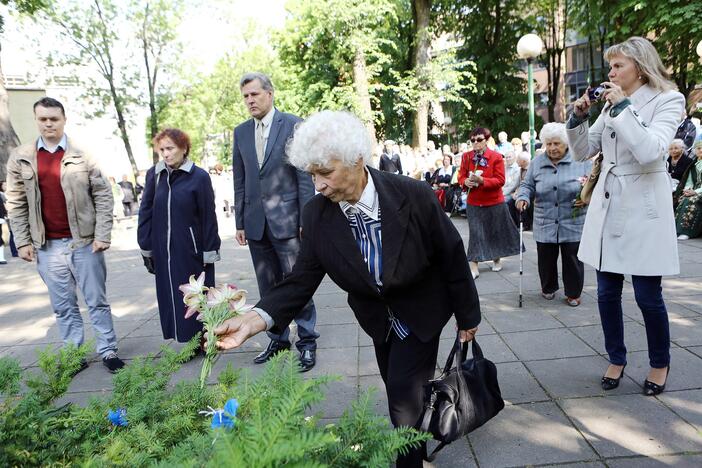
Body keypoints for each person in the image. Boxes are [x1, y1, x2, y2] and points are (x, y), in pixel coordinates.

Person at [213, 110, 481, 468]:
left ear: (357, 160)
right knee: (399, 387)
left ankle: (411, 457)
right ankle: (420, 428)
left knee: (402, 402)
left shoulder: (414, 196)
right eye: (311, 174)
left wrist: (468, 316)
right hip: (377, 319)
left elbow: (451, 256)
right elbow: (301, 278)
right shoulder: (317, 215)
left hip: (421, 311)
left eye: (325, 172)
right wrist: (255, 319)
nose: (319, 184)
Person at [566, 36, 685, 396]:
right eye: (611, 66)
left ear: (639, 66)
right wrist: (578, 117)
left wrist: (623, 108)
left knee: (649, 296)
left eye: (618, 66)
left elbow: (651, 152)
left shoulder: (669, 99)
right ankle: (616, 357)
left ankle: (659, 363)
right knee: (605, 292)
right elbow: (585, 150)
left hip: (645, 207)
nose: (611, 72)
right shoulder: (609, 104)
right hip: (610, 205)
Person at [5, 97, 124, 373]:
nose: (48, 124)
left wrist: (102, 234)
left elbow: (103, 195)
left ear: (63, 120)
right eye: (43, 119)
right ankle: (74, 355)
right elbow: (16, 202)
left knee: (96, 300)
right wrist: (22, 241)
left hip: (84, 243)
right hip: (47, 247)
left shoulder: (83, 154)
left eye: (54, 119)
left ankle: (108, 350)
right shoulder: (22, 157)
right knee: (63, 306)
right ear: (37, 120)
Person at [232, 72, 319, 371]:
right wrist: (240, 221)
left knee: (297, 283)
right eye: (245, 96)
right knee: (267, 285)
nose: (250, 100)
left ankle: (307, 341)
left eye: (254, 94)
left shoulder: (293, 125)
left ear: (270, 94)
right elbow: (240, 178)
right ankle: (278, 339)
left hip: (288, 220)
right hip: (256, 224)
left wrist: (307, 218)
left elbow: (303, 176)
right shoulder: (241, 132)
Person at [138, 128, 221, 344]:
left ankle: (202, 339)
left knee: (195, 296)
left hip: (190, 250)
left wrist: (210, 251)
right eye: (161, 149)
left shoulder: (199, 176)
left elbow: (208, 216)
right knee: (171, 297)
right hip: (162, 250)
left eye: (170, 148)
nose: (165, 154)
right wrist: (146, 246)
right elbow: (145, 211)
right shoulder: (154, 175)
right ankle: (183, 340)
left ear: (183, 149)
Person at [516, 123, 592, 306]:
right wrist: (523, 197)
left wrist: (587, 197)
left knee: (572, 258)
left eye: (556, 143)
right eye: (548, 144)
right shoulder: (537, 162)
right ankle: (548, 287)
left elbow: (593, 184)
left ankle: (573, 293)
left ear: (566, 143)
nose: (552, 148)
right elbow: (527, 185)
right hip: (545, 219)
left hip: (572, 218)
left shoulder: (580, 161)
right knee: (546, 258)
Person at [457, 127, 522, 279]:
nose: (475, 143)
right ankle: (474, 266)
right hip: (474, 201)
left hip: (494, 201)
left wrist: (482, 181)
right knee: (475, 233)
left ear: (486, 140)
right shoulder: (466, 157)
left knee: (494, 231)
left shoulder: (496, 157)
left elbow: (500, 180)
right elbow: (460, 176)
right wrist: (465, 181)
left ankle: (496, 259)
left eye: (479, 139)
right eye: (473, 140)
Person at [674, 140, 702, 240]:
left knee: (692, 200)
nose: (701, 150)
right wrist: (687, 190)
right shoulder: (694, 164)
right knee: (682, 198)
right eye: (698, 148)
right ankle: (677, 230)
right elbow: (689, 181)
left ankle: (687, 232)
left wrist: (695, 192)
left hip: (699, 192)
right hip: (694, 191)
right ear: (695, 150)